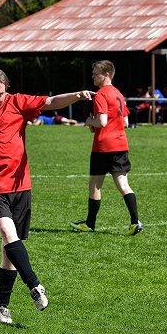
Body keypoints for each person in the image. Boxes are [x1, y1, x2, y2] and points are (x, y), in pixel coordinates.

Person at [0, 68, 94, 325]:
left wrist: (77, 95)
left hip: (20, 186)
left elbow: (50, 101)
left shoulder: (17, 103)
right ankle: (35, 285)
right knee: (8, 234)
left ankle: (1, 307)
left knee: (9, 249)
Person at [70, 60, 142, 236]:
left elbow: (101, 121)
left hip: (103, 147)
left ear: (106, 74)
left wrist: (89, 121)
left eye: (95, 73)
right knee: (124, 185)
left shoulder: (101, 94)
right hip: (121, 144)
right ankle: (135, 222)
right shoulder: (118, 94)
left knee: (95, 185)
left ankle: (90, 224)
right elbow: (125, 122)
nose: (93, 76)